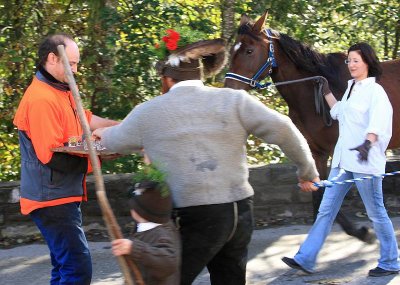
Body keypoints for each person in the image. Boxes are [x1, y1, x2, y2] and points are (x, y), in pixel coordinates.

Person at [93, 29, 319, 285]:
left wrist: (100, 131)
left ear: (167, 80)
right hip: (241, 209)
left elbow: (111, 142)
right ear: (199, 75)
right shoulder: (234, 99)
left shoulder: (148, 112)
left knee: (166, 280)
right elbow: (284, 128)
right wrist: (307, 171)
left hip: (197, 215)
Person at [282, 42, 400, 277]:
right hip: (343, 161)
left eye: (356, 60)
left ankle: (390, 261)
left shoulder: (375, 90)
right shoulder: (350, 88)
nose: (351, 65)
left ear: (367, 62)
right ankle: (305, 258)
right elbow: (338, 113)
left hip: (364, 161)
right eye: (349, 60)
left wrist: (367, 143)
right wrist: (326, 90)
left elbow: (380, 120)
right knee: (326, 210)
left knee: (376, 212)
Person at [13, 33, 119, 284]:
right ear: (52, 58)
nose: (76, 70)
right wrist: (98, 160)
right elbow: (50, 157)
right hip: (50, 198)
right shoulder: (41, 98)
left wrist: (123, 128)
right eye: (71, 64)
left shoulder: (62, 89)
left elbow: (87, 120)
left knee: (64, 267)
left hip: (60, 194)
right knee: (77, 267)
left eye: (77, 63)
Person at [111, 164, 181, 285]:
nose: (131, 208)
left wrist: (133, 248)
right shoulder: (144, 226)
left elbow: (168, 263)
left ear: (145, 212)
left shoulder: (162, 233)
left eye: (134, 207)